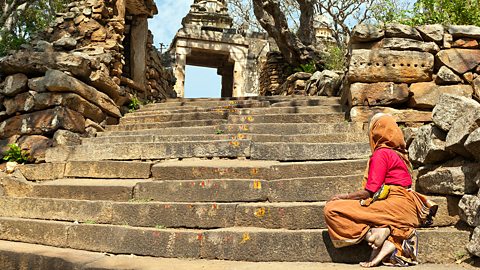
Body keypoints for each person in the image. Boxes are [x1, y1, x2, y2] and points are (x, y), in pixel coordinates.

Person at [323, 113, 437, 267]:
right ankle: (386, 230)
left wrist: (345, 196)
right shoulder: (401, 155)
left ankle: (374, 233)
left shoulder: (381, 154)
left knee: (332, 209)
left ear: (376, 132)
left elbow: (370, 191)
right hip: (409, 210)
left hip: (395, 205)